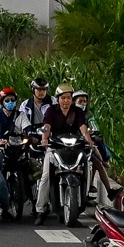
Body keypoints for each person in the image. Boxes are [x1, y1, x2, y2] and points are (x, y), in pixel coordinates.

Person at [36, 82, 91, 219]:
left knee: (87, 168)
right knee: (46, 176)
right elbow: (47, 126)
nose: (66, 101)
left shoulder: (77, 112)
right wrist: (44, 139)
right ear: (58, 99)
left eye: (68, 98)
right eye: (63, 98)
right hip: (55, 147)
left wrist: (88, 139)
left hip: (74, 147)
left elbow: (83, 127)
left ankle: (85, 196)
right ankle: (41, 209)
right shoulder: (51, 111)